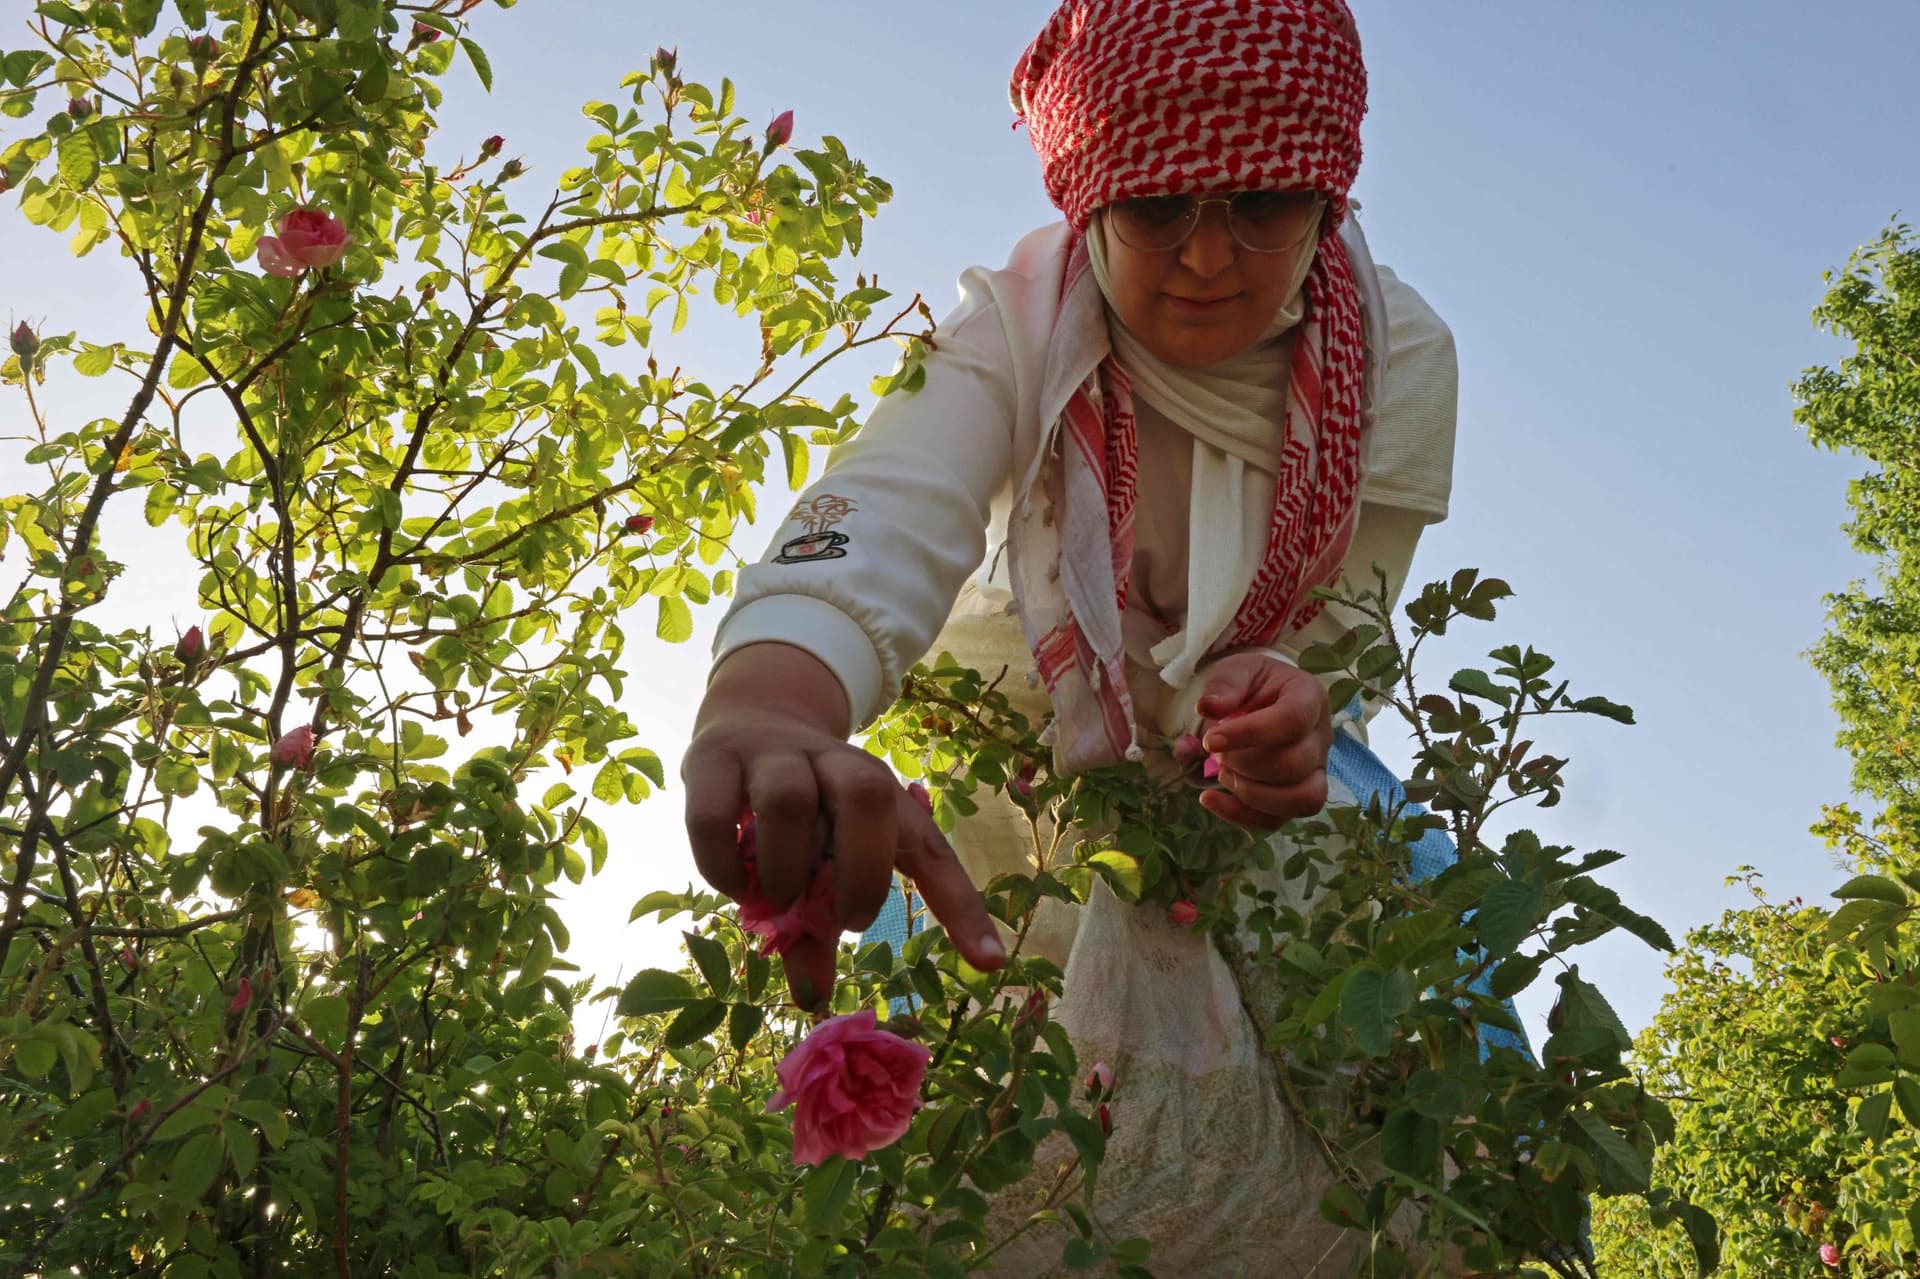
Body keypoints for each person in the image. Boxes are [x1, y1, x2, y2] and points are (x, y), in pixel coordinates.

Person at [683, 0, 1474, 1269]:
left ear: (1331, 203)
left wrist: (1286, 709)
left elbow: (1343, 629)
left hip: (1274, 778)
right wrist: (776, 695)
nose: (1209, 258)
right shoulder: (1020, 320)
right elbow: (892, 501)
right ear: (1089, 198)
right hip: (1034, 709)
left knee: (1425, 1066)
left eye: (1262, 202)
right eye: (1158, 208)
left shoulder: (1404, 360)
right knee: (968, 1087)